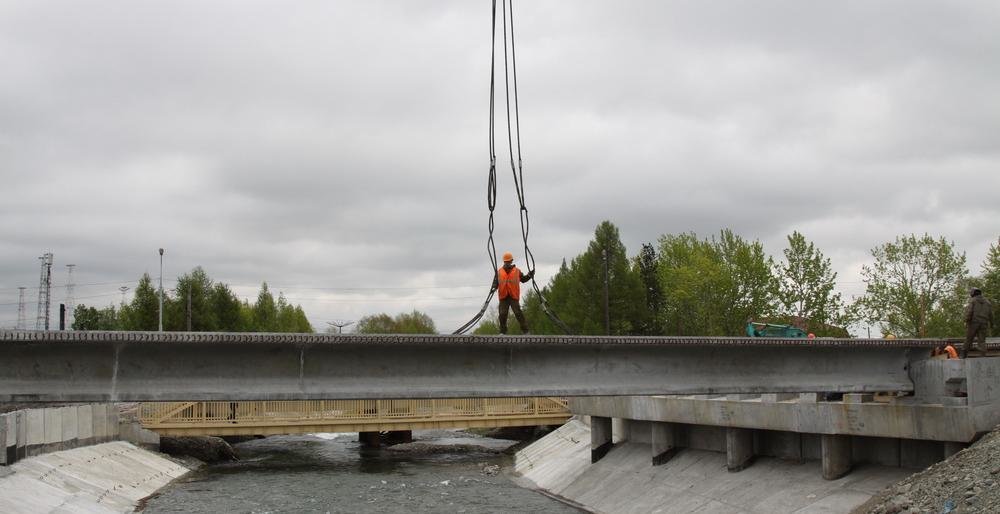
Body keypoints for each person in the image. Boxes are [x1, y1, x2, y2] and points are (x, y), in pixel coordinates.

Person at [492, 251, 534, 334]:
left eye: (509, 261)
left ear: (511, 261)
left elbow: (523, 279)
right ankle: (503, 332)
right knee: (502, 314)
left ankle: (525, 331)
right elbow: (495, 282)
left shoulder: (517, 271)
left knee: (518, 313)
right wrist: (493, 287)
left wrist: (529, 275)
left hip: (513, 296)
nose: (507, 263)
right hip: (503, 296)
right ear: (504, 262)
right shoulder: (499, 272)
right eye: (506, 261)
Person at [963, 287, 993, 358]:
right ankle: (983, 355)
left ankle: (963, 355)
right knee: (982, 340)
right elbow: (991, 314)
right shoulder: (988, 302)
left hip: (974, 322)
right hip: (984, 323)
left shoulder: (973, 301)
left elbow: (969, 312)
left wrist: (966, 320)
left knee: (969, 339)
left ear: (972, 293)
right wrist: (992, 323)